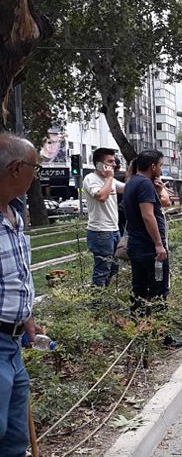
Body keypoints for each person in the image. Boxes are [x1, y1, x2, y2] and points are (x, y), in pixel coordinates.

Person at [0, 133, 41, 455]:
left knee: (15, 436)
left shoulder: (14, 216)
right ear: (16, 168)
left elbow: (12, 276)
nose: (35, 174)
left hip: (12, 343)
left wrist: (25, 317)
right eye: (34, 168)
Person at [122, 150, 172, 317]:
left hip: (136, 246)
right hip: (150, 248)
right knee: (159, 289)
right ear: (153, 166)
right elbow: (147, 215)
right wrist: (158, 244)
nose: (161, 169)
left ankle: (137, 326)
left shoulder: (132, 182)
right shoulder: (144, 184)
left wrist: (157, 192)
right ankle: (162, 336)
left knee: (139, 289)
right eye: (160, 165)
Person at [83, 148, 125, 286]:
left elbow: (126, 188)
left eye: (114, 161)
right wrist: (110, 177)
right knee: (102, 269)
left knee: (114, 267)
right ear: (99, 164)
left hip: (114, 230)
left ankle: (105, 296)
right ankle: (97, 303)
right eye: (110, 161)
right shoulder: (91, 179)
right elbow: (101, 196)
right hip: (100, 232)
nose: (114, 164)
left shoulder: (110, 181)